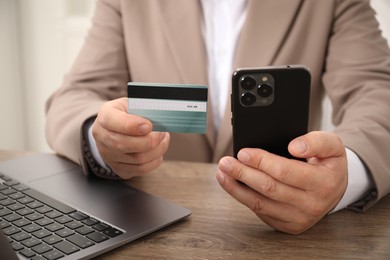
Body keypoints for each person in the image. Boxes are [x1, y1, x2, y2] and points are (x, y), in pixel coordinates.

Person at [45, 0, 390, 235]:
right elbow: (75, 96)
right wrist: (102, 139)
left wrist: (345, 175)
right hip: (152, 225)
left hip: (279, 235)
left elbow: (376, 92)